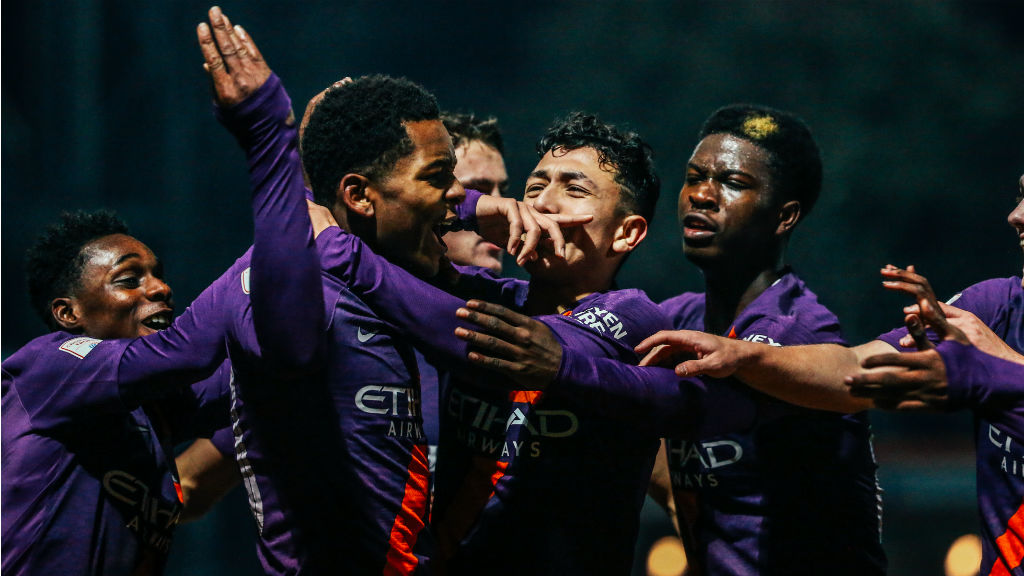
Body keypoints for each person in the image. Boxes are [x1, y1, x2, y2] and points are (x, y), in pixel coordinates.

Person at [460, 104, 888, 574]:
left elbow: (701, 402)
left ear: (784, 217)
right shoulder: (679, 318)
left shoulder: (799, 327)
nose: (703, 194)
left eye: (732, 183)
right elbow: (649, 424)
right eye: (695, 176)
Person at [0, 7, 319, 571]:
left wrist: (312, 214)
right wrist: (270, 146)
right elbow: (192, 350)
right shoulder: (46, 369)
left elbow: (259, 369)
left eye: (156, 271)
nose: (161, 287)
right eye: (130, 279)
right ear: (67, 313)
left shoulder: (151, 410)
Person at [311, 110, 669, 575]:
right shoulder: (493, 294)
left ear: (627, 232)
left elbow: (492, 341)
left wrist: (340, 252)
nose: (543, 204)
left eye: (574, 189)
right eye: (536, 186)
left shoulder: (632, 319)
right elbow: (387, 226)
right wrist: (471, 208)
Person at [640, 176, 1024, 576]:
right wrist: (744, 353)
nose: (1016, 216)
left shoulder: (987, 337)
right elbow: (855, 372)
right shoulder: (995, 307)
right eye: (1019, 195)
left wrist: (1001, 366)